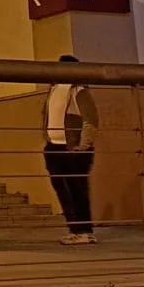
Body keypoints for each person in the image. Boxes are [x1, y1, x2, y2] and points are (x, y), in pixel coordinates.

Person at [43, 55, 100, 245]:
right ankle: (74, 229)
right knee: (62, 189)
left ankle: (85, 231)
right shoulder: (53, 90)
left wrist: (82, 146)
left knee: (77, 189)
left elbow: (91, 119)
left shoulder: (79, 91)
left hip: (74, 149)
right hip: (54, 148)